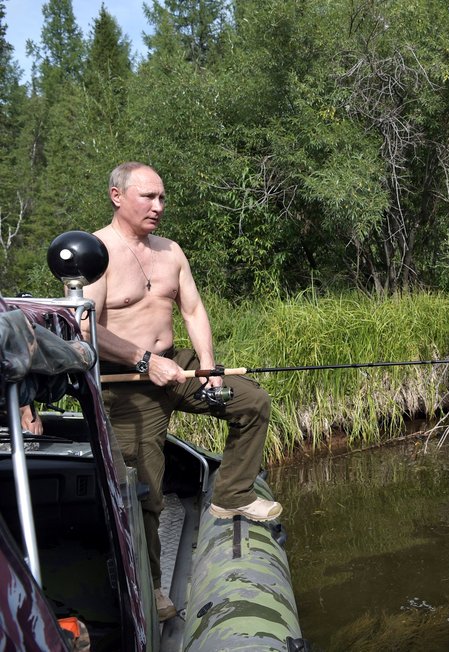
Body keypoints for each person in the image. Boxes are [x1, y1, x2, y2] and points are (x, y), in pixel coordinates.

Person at [84, 162, 281, 621]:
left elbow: (192, 309)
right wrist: (143, 361)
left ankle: (231, 494)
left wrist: (208, 365)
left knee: (251, 400)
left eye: (162, 197)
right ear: (117, 196)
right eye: (147, 197)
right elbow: (86, 328)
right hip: (127, 381)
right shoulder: (96, 252)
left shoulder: (170, 250)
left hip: (178, 366)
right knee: (145, 489)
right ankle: (149, 587)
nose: (158, 206)